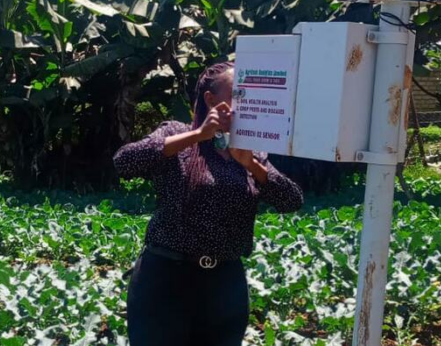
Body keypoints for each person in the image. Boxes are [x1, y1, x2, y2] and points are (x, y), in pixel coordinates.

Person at [113, 61, 303, 346]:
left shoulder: (249, 150)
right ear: (211, 100)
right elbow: (125, 162)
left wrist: (251, 163)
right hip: (166, 281)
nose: (244, 102)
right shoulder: (176, 133)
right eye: (237, 94)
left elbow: (291, 200)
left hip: (224, 286)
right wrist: (198, 135)